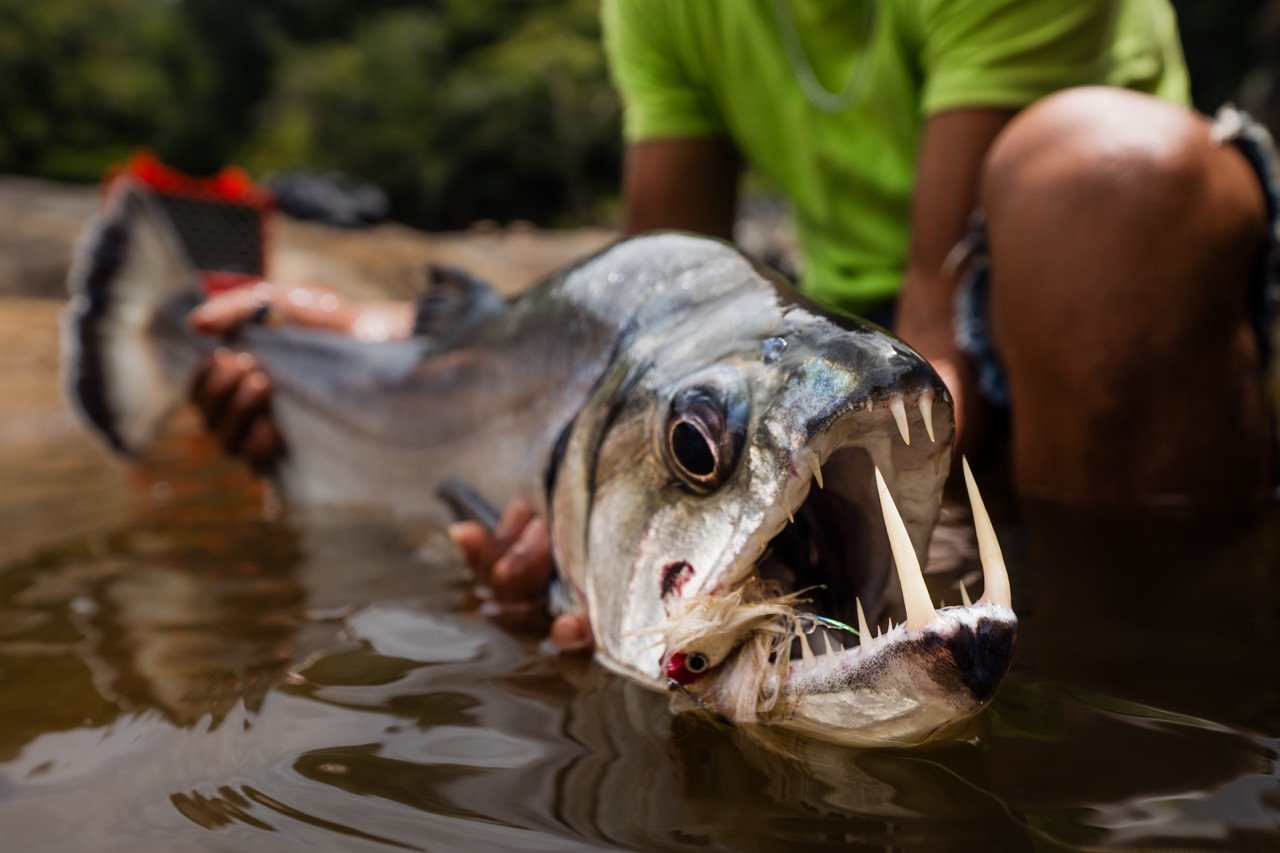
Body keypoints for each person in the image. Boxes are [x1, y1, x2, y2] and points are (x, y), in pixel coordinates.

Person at [190, 0, 1278, 652]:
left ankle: (1145, 647)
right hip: (815, 336)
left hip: (1067, 306)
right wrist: (370, 339)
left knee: (1099, 182)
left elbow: (930, 335)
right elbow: (641, 314)